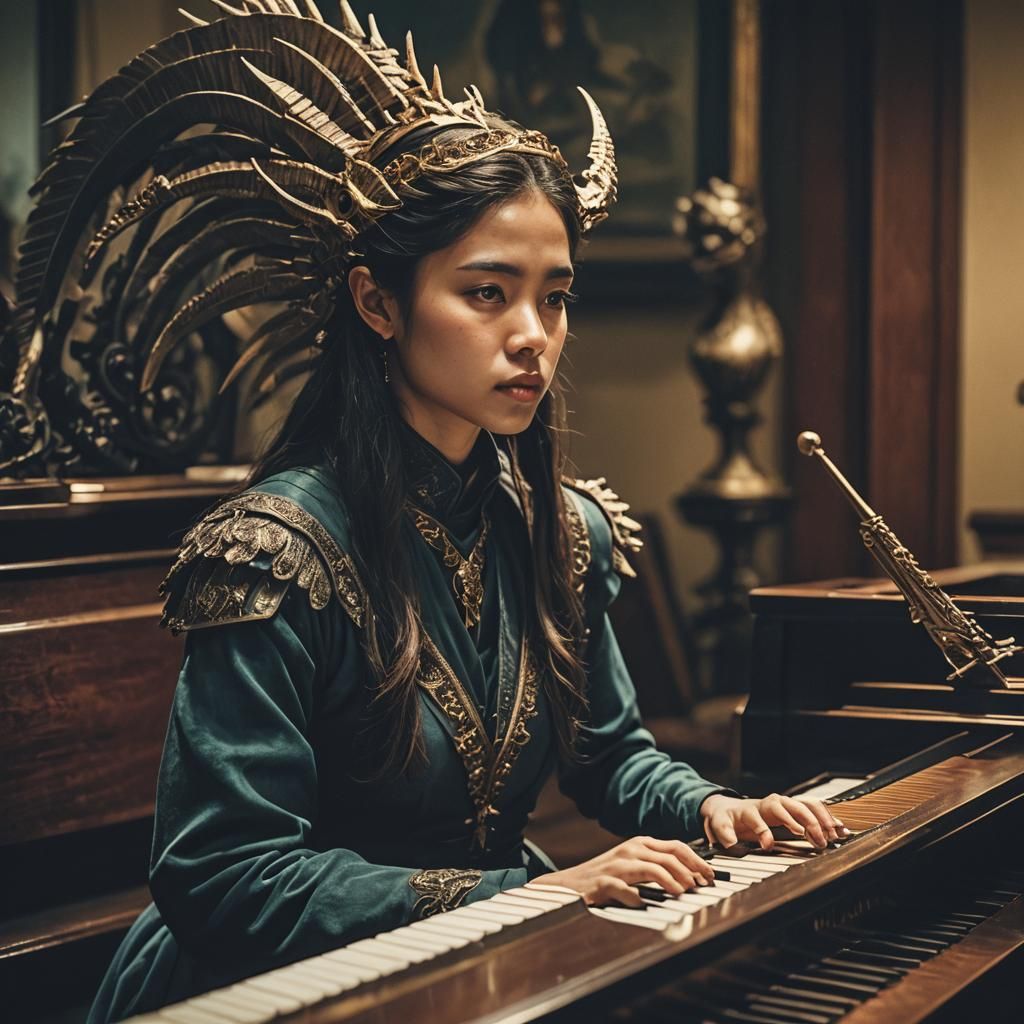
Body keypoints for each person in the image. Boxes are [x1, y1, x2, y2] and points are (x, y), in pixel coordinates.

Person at [6, 4, 844, 1021]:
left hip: (490, 943)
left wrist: (712, 806)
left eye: (555, 295)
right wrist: (525, 891)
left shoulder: (561, 529)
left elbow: (607, 749)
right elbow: (223, 874)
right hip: (274, 982)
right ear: (377, 303)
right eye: (488, 294)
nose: (534, 336)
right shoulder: (271, 555)